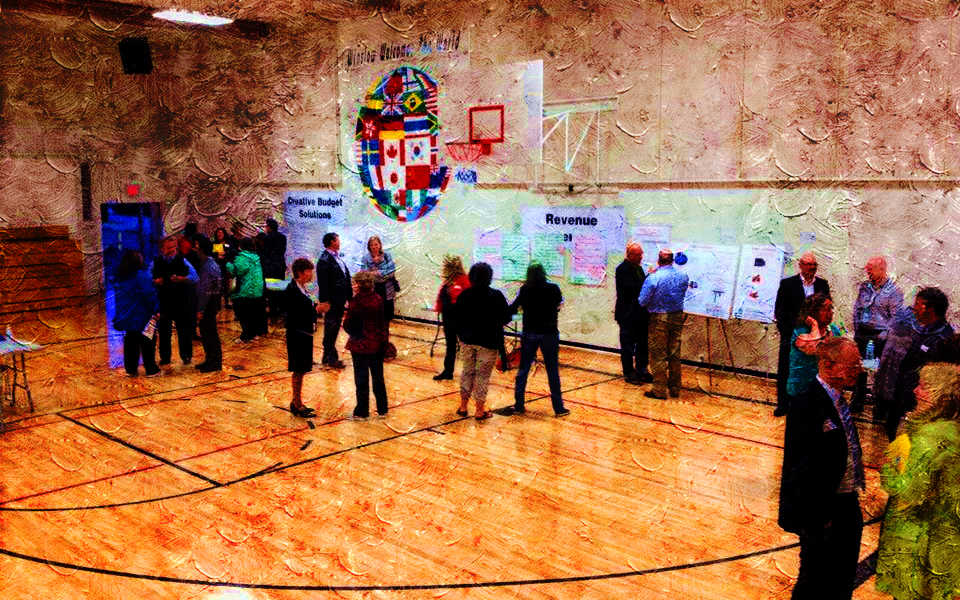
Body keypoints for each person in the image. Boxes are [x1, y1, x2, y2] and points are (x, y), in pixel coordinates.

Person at [778, 337, 865, 600]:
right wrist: (818, 517)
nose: (859, 370)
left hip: (846, 502)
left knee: (842, 579)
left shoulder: (838, 399)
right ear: (828, 365)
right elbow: (800, 467)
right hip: (823, 510)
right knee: (813, 582)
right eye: (852, 366)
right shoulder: (806, 403)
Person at [875, 362, 960, 600]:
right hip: (944, 542)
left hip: (916, 545)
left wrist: (889, 466)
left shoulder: (929, 438)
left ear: (941, 397)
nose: (915, 391)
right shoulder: (952, 430)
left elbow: (909, 493)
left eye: (923, 386)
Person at [875, 287, 954, 441]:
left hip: (921, 401)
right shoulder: (918, 330)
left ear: (929, 309)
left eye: (918, 304)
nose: (914, 309)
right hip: (902, 396)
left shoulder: (944, 339)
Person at [503, 263, 569, 417]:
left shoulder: (525, 289)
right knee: (552, 371)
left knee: (523, 369)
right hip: (549, 333)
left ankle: (519, 405)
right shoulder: (553, 288)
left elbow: (513, 309)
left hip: (530, 333)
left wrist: (506, 316)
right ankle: (558, 408)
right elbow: (559, 306)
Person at [774, 251, 831, 416]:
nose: (812, 268)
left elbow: (827, 308)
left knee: (812, 369)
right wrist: (789, 331)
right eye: (808, 265)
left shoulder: (822, 284)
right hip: (792, 333)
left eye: (814, 265)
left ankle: (811, 404)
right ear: (800, 265)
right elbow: (780, 311)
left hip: (815, 334)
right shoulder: (787, 284)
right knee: (786, 368)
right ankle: (783, 404)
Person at [454, 262, 510, 420]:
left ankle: (463, 406)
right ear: (489, 277)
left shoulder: (464, 295)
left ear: (471, 277)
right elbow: (506, 318)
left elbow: (457, 317)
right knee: (482, 377)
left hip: (467, 341)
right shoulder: (496, 295)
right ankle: (479, 410)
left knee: (467, 372)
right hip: (488, 342)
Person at [851, 256, 904, 412]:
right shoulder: (864, 287)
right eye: (867, 269)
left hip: (880, 336)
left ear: (882, 269)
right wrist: (857, 328)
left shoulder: (894, 291)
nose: (867, 272)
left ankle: (880, 406)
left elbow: (896, 318)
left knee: (880, 372)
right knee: (859, 369)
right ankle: (857, 400)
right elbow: (857, 308)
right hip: (862, 333)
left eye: (870, 269)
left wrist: (885, 336)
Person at [638, 249, 690, 400]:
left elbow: (642, 301)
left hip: (659, 318)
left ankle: (659, 390)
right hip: (677, 316)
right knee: (674, 353)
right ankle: (675, 388)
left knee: (658, 355)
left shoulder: (654, 277)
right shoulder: (683, 276)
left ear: (658, 260)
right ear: (672, 260)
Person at [344, 271, 390, 420]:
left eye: (355, 283)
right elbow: (383, 323)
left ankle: (362, 411)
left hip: (360, 344)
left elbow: (348, 324)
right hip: (377, 343)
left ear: (359, 285)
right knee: (378, 378)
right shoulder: (378, 299)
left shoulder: (356, 302)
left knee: (361, 379)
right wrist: (384, 342)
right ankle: (382, 409)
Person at [786, 293, 842, 403]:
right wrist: (814, 325)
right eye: (825, 309)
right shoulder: (800, 331)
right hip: (801, 388)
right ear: (813, 312)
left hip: (826, 390)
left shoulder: (834, 330)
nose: (830, 313)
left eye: (830, 308)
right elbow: (815, 348)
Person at [284, 258, 322, 418]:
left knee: (302, 369)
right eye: (308, 271)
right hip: (297, 334)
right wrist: (317, 310)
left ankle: (297, 401)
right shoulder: (292, 290)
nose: (311, 274)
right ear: (300, 272)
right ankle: (297, 403)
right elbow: (296, 312)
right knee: (298, 369)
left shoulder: (303, 288)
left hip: (304, 333)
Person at [152, 236, 198, 366]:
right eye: (169, 248)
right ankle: (165, 357)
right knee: (164, 331)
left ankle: (186, 356)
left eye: (174, 247)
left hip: (181, 300)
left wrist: (182, 279)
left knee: (184, 330)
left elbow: (195, 277)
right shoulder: (156, 262)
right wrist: (155, 281)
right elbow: (148, 278)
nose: (172, 250)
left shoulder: (183, 260)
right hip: (163, 301)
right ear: (162, 249)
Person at [113, 250, 160, 377]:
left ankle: (131, 369)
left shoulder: (120, 277)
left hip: (128, 316)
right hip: (143, 314)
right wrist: (156, 309)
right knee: (147, 341)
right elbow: (149, 294)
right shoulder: (142, 276)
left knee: (130, 341)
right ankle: (151, 369)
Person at [615, 242, 652, 384]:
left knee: (643, 344)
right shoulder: (622, 269)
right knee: (628, 346)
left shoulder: (638, 268)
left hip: (640, 314)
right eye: (638, 254)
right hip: (627, 315)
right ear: (629, 255)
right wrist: (649, 278)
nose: (641, 257)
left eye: (641, 254)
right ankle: (629, 373)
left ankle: (642, 370)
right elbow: (632, 289)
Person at [316, 232, 352, 369]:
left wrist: (349, 296)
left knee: (333, 328)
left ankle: (327, 357)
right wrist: (325, 301)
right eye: (337, 240)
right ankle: (332, 358)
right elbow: (323, 283)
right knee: (331, 328)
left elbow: (344, 277)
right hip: (332, 300)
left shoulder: (336, 258)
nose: (339, 242)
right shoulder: (324, 260)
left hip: (339, 299)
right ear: (332, 242)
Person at [433, 255, 470, 380]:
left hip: (460, 318)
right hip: (448, 318)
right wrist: (439, 307)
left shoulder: (464, 281)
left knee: (466, 347)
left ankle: (469, 373)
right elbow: (441, 297)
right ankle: (448, 372)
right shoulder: (447, 282)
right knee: (450, 346)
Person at [226, 237, 267, 343]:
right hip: (257, 290)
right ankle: (253, 334)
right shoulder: (256, 257)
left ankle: (246, 336)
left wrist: (227, 263)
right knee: (253, 313)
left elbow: (236, 271)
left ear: (241, 246)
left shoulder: (242, 257)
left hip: (245, 290)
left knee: (243, 314)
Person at [193, 236, 222, 372]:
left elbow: (205, 290)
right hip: (210, 303)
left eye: (196, 246)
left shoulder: (208, 266)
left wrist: (200, 309)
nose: (194, 249)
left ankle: (214, 362)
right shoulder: (208, 264)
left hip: (208, 305)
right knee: (206, 333)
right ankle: (210, 360)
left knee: (210, 334)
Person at [361, 235, 398, 323]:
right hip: (372, 288)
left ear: (380, 245)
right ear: (369, 246)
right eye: (371, 245)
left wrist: (377, 272)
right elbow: (364, 274)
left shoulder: (387, 256)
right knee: (373, 314)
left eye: (376, 244)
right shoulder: (365, 258)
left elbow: (391, 271)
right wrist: (383, 272)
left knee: (387, 315)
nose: (374, 247)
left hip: (387, 289)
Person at [262, 218, 287, 324]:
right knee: (279, 290)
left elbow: (265, 253)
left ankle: (273, 315)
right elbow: (282, 251)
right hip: (280, 266)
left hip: (270, 268)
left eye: (266, 226)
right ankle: (280, 313)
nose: (265, 228)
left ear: (269, 227)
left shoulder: (267, 238)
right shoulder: (283, 237)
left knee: (271, 292)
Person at [212, 227, 233, 308]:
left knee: (226, 285)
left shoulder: (228, 242)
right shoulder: (214, 243)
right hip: (217, 267)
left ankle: (227, 302)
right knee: (217, 285)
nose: (219, 234)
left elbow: (231, 252)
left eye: (221, 232)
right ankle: (217, 303)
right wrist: (217, 255)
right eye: (218, 232)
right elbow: (213, 254)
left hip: (226, 266)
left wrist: (226, 254)